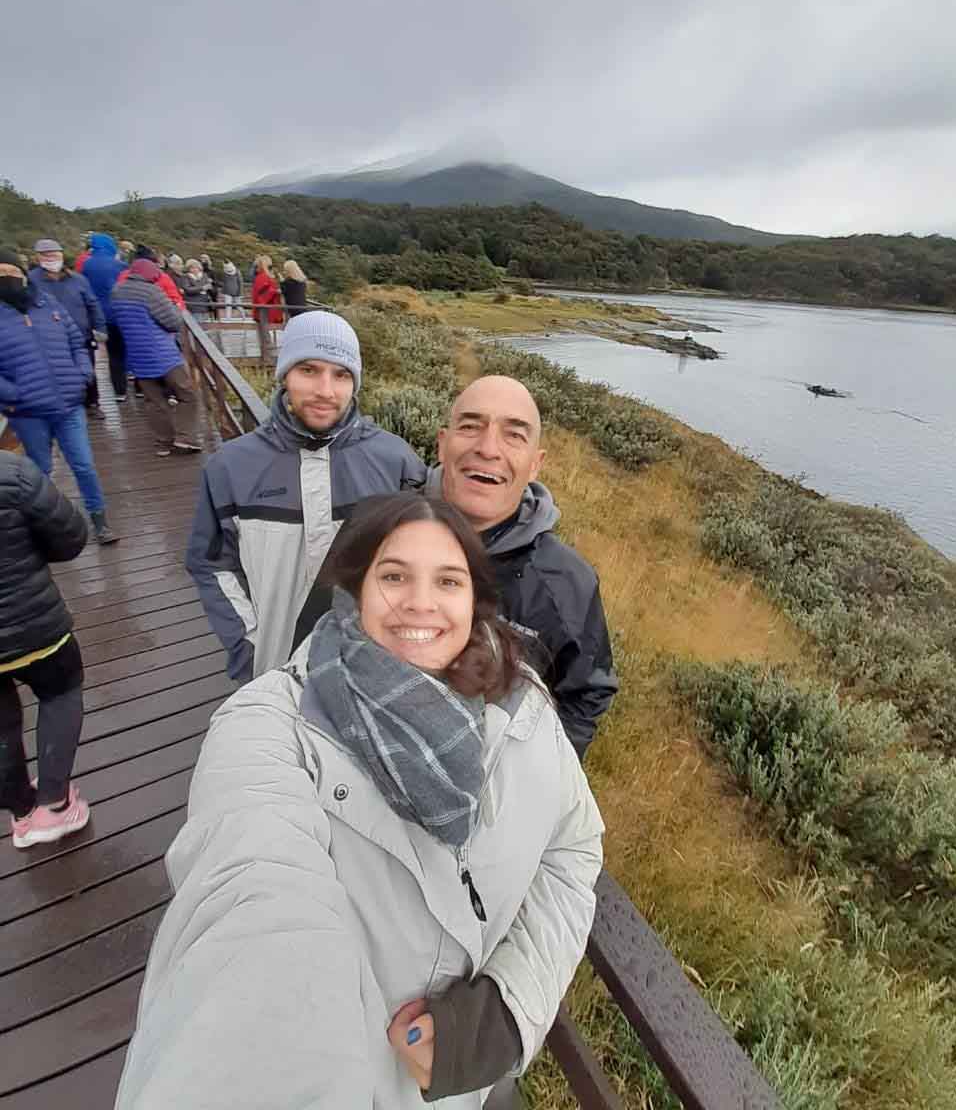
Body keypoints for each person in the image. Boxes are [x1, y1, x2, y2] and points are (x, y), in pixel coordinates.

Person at [117, 492, 603, 1109]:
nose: (421, 602)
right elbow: (253, 897)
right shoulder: (270, 726)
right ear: (354, 588)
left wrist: (504, 1016)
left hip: (464, 1089)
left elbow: (575, 846)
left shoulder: (523, 707)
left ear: (475, 599)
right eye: (394, 575)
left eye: (447, 580)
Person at [186, 310, 425, 682]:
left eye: (341, 374)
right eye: (309, 370)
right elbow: (213, 564)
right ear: (284, 376)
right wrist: (246, 643)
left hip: (373, 667)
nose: (325, 391)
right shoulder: (229, 468)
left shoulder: (396, 461)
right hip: (273, 668)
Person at [432, 375, 617, 759]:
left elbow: (585, 694)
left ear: (536, 464)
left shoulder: (569, 583)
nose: (488, 448)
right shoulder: (378, 535)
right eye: (470, 426)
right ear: (442, 443)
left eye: (514, 435)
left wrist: (541, 778)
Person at [0, 452, 92, 848]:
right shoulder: (11, 470)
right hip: (34, 625)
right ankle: (54, 805)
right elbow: (71, 537)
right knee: (61, 692)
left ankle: (22, 813)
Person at [0, 257, 117, 543]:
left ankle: (100, 521)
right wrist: (12, 394)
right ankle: (49, 526)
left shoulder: (47, 304)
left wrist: (82, 375)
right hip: (27, 411)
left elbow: (77, 342)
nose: (7, 278)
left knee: (84, 465)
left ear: (24, 274)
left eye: (11, 271)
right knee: (39, 471)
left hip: (68, 403)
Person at [111, 257, 203, 457]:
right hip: (163, 354)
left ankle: (164, 442)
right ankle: (185, 439)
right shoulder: (151, 292)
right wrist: (176, 308)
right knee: (187, 395)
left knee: (154, 402)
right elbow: (172, 321)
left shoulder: (117, 292)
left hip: (138, 357)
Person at [29, 238, 107, 418]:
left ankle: (92, 403)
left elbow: (93, 304)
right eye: (45, 255)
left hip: (82, 335)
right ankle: (64, 405)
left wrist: (101, 328)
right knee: (55, 373)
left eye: (54, 254)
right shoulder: (31, 281)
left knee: (88, 370)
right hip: (48, 338)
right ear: (38, 257)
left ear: (62, 255)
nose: (51, 258)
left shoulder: (79, 280)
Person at [82, 232, 128, 402]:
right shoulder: (120, 265)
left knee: (113, 354)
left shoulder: (87, 266)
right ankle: (139, 386)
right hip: (122, 313)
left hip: (101, 316)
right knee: (129, 348)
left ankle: (119, 391)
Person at [251, 254, 283, 325]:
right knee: (266, 333)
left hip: (266, 310)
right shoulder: (262, 276)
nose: (271, 266)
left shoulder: (262, 275)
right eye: (270, 264)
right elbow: (262, 293)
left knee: (266, 333)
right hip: (267, 312)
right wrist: (276, 291)